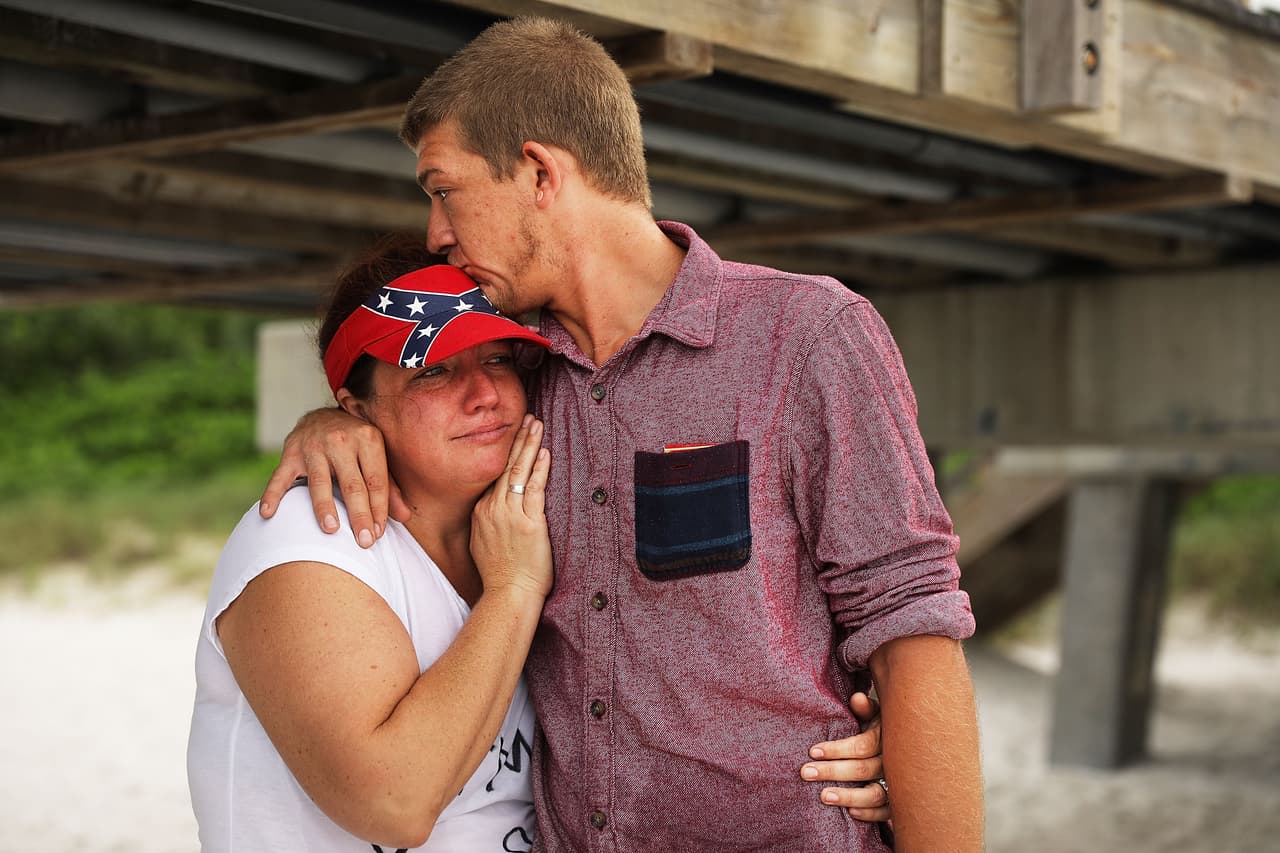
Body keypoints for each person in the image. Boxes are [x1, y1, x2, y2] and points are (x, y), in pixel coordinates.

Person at [261, 17, 982, 852]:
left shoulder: (807, 336)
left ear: (538, 172)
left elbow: (912, 627)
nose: (437, 235)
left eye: (442, 188)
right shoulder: (510, 389)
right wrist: (320, 427)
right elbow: (406, 424)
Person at [188, 243, 556, 851]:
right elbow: (394, 804)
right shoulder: (307, 538)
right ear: (356, 408)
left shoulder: (528, 511)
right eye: (432, 371)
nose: (485, 393)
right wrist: (514, 592)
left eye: (498, 359)